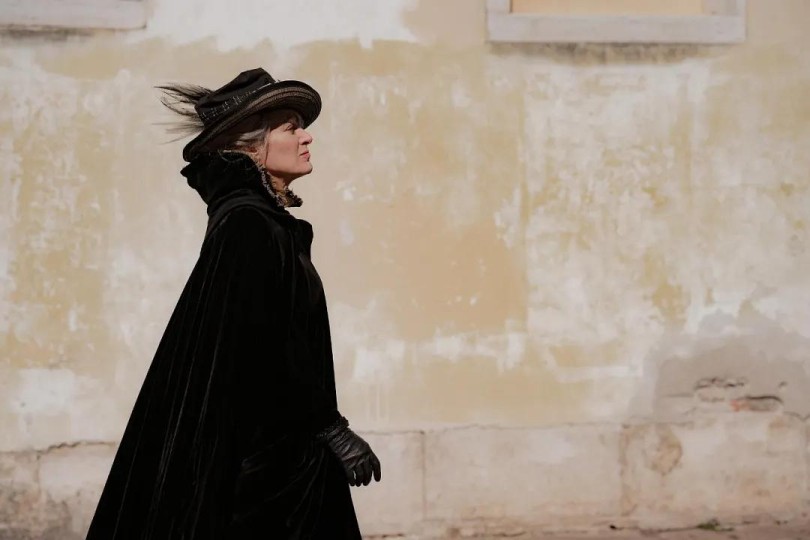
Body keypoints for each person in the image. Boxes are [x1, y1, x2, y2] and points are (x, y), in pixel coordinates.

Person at [85, 68, 381, 540]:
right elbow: (265, 344)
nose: (307, 137)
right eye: (290, 128)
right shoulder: (249, 225)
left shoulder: (260, 221)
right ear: (251, 146)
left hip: (280, 453)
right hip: (267, 473)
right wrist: (331, 429)